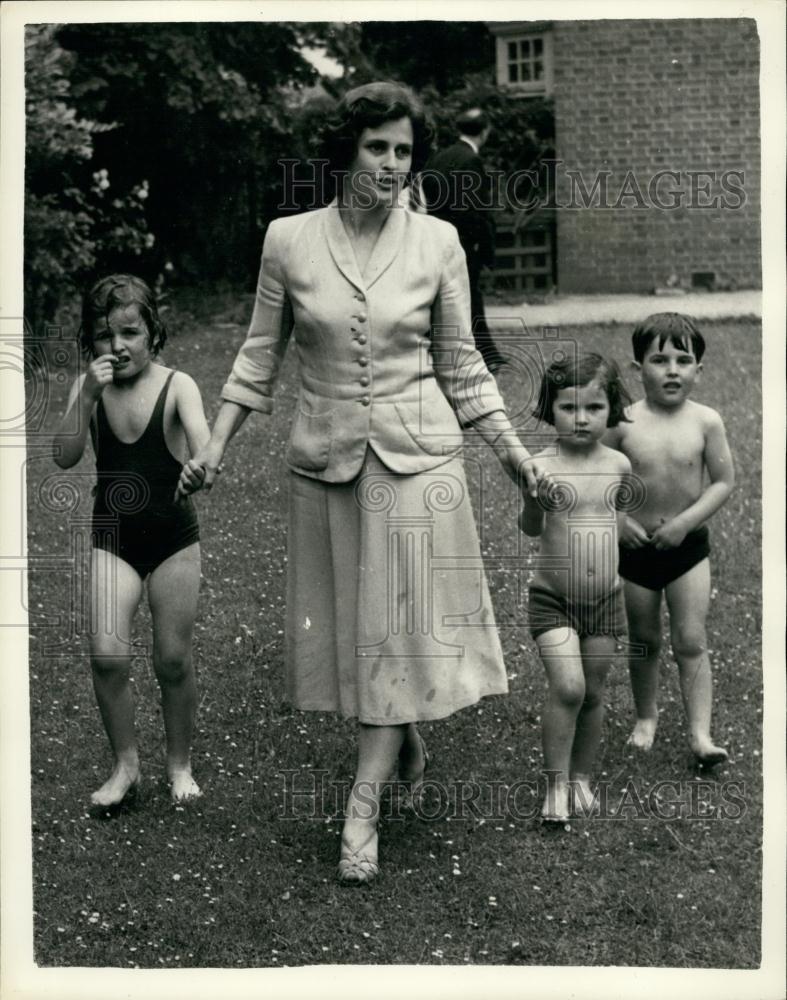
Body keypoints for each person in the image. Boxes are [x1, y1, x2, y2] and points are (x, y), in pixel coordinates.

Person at [177, 82, 546, 884]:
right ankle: (404, 736)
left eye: (403, 151)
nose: (390, 164)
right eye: (376, 147)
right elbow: (255, 356)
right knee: (362, 634)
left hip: (419, 466)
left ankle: (361, 807)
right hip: (327, 463)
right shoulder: (288, 240)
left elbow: (460, 363)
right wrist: (214, 445)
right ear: (346, 150)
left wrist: (515, 456)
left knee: (393, 630)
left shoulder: (438, 242)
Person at [52, 275, 210, 806]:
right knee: (106, 655)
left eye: (129, 332)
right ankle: (125, 765)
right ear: (89, 341)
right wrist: (88, 393)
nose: (117, 346)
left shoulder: (178, 384)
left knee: (171, 659)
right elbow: (64, 455)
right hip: (112, 538)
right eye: (103, 335)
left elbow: (205, 450)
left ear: (152, 333)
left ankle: (179, 764)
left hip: (173, 540)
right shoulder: (88, 388)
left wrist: (197, 469)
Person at [604, 314, 734, 766]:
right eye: (660, 359)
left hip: (687, 551)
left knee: (691, 639)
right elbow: (597, 477)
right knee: (644, 639)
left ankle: (701, 734)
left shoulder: (705, 421)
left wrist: (684, 523)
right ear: (638, 368)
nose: (673, 370)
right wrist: (618, 520)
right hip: (635, 551)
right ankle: (646, 717)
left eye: (684, 360)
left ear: (700, 369)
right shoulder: (622, 424)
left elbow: (722, 480)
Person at [520, 354, 632, 822]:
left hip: (606, 601)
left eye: (594, 407)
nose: (581, 419)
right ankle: (556, 787)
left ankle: (582, 777)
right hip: (554, 600)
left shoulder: (619, 464)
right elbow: (530, 528)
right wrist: (534, 501)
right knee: (568, 687)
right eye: (568, 408)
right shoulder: (540, 465)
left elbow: (616, 525)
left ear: (613, 409)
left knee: (593, 693)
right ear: (551, 410)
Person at [420, 108, 507, 372]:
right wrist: (484, 245)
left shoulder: (438, 159)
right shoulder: (471, 160)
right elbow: (476, 210)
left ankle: (473, 353)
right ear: (485, 131)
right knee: (469, 297)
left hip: (435, 240)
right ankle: (487, 355)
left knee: (445, 298)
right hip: (464, 243)